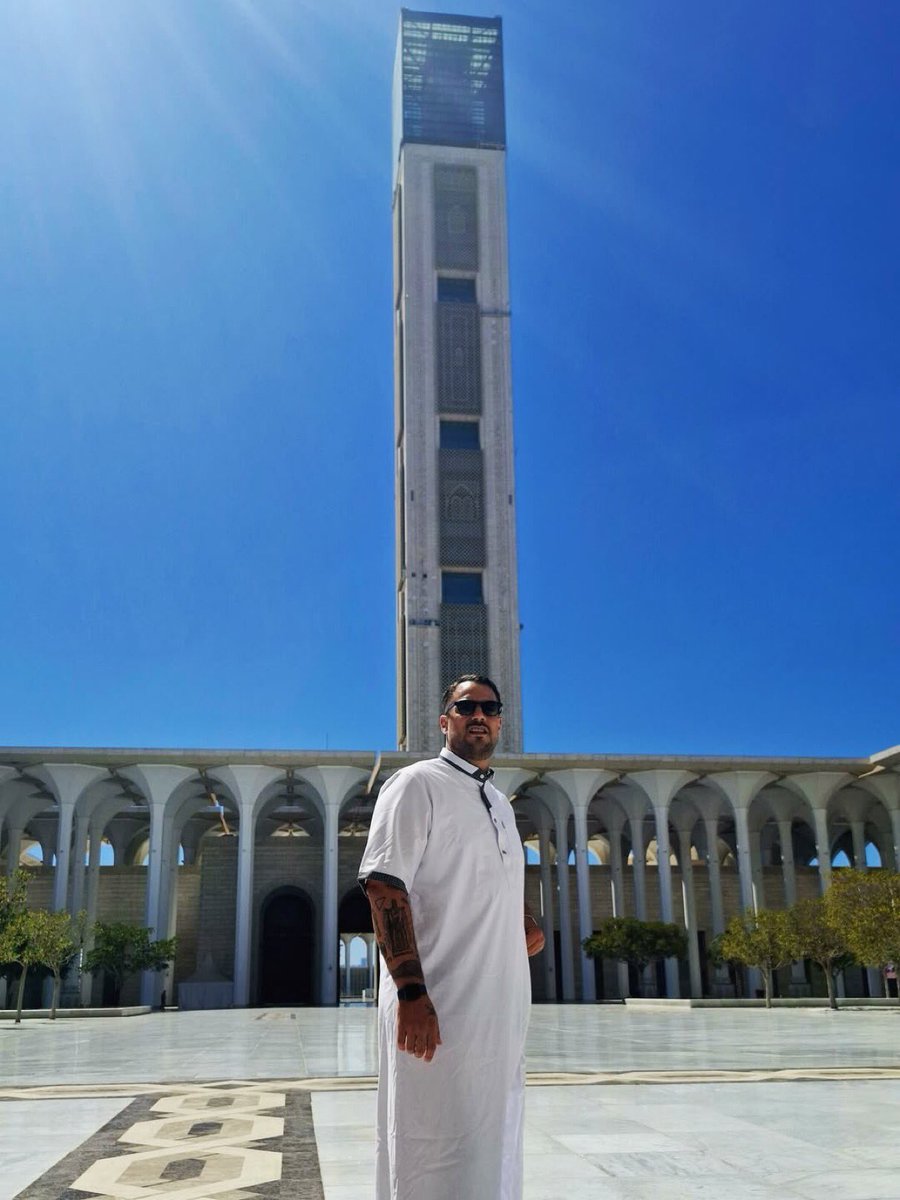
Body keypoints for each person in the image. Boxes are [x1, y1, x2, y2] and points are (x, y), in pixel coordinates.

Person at [358, 674, 544, 1200]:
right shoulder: (417, 784)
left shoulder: (500, 804)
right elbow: (385, 885)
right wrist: (412, 993)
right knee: (430, 1145)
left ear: (501, 722)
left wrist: (520, 920)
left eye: (490, 708)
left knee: (491, 1145)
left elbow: (482, 878)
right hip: (436, 1011)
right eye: (466, 707)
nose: (479, 715)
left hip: (496, 1019)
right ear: (445, 721)